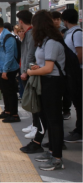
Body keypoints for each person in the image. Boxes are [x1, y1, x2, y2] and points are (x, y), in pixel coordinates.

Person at [25, 10, 66, 171]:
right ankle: (52, 152)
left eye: (34, 25)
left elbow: (49, 68)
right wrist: (37, 67)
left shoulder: (52, 43)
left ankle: (57, 158)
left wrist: (31, 72)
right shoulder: (46, 41)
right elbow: (46, 66)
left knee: (55, 121)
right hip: (47, 83)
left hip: (53, 84)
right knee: (49, 120)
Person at [0, 17, 20, 123]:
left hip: (8, 69)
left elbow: (10, 54)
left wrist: (5, 70)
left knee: (10, 92)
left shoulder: (8, 37)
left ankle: (14, 114)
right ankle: (7, 111)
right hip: (0, 68)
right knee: (4, 91)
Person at [17, 10, 39, 139]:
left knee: (33, 101)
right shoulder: (28, 33)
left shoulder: (30, 34)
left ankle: (36, 126)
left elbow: (30, 54)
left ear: (20, 21)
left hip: (29, 72)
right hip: (27, 70)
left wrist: (25, 71)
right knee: (31, 100)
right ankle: (34, 123)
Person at [61, 9, 82, 143]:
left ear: (65, 20)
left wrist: (73, 68)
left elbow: (80, 54)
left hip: (77, 73)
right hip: (72, 73)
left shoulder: (77, 33)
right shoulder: (70, 33)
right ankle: (78, 128)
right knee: (77, 102)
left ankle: (80, 131)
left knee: (79, 102)